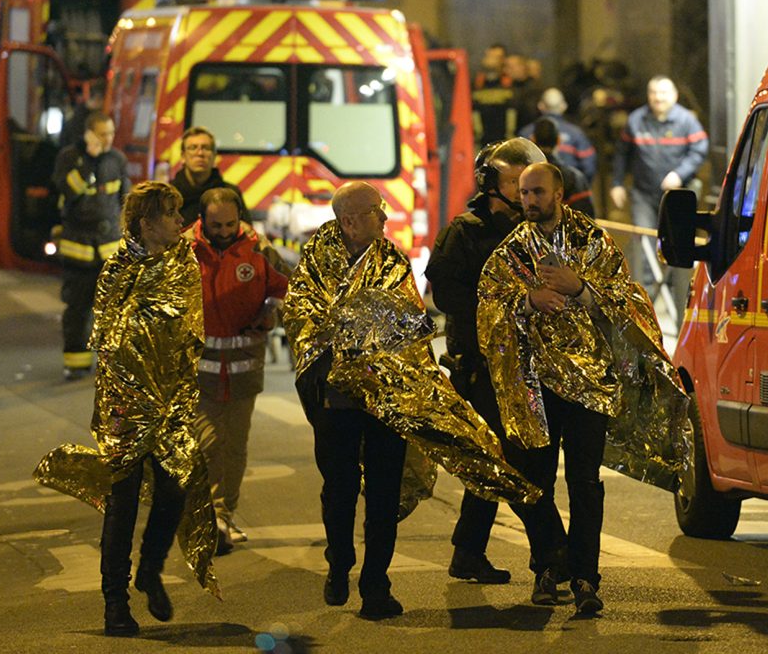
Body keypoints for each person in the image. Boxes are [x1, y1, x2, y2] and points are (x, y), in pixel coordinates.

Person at [284, 182, 538, 621]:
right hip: (337, 399)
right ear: (350, 222)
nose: (385, 217)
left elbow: (410, 319)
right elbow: (303, 319)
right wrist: (351, 335)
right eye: (376, 210)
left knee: (384, 493)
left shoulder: (392, 260)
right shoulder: (317, 262)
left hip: (391, 397)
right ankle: (340, 561)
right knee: (340, 488)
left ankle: (376, 585)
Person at [478, 162, 691, 616]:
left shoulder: (593, 242)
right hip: (534, 384)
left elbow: (629, 302)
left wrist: (581, 289)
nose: (529, 200)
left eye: (537, 192)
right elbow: (488, 305)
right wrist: (527, 301)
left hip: (591, 385)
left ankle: (585, 579)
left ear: (559, 194)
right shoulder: (512, 251)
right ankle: (547, 567)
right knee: (534, 481)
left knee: (585, 485)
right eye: (524, 193)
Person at [35, 181, 219, 637]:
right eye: (171, 214)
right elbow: (108, 335)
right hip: (126, 402)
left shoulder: (183, 264)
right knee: (123, 503)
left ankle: (150, 569)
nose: (180, 221)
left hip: (170, 399)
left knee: (175, 489)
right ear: (146, 223)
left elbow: (188, 329)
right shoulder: (118, 268)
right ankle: (115, 602)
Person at [426, 138, 568, 587]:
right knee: (519, 460)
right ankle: (554, 556)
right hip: (483, 366)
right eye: (516, 183)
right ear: (493, 184)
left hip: (531, 364)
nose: (526, 192)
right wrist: (506, 304)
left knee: (494, 459)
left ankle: (468, 552)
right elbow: (446, 295)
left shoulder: (532, 231)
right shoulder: (465, 232)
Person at [187, 187, 288, 555]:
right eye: (217, 225)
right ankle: (209, 516)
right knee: (207, 444)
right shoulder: (184, 251)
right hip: (201, 371)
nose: (225, 231)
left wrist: (269, 312)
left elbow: (285, 288)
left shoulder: (260, 250)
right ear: (202, 221)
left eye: (231, 224)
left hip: (244, 367)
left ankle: (223, 515)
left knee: (234, 446)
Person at [610, 76, 709, 297]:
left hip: (676, 196)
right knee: (645, 244)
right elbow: (621, 154)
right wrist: (617, 183)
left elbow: (700, 149)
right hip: (643, 194)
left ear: (674, 96)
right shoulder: (636, 120)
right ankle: (645, 300)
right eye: (653, 93)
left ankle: (677, 298)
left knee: (677, 246)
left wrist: (679, 174)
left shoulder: (686, 121)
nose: (658, 98)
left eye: (663, 93)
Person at [52, 110, 130, 380]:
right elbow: (69, 191)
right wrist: (89, 160)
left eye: (111, 133)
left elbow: (125, 200)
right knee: (78, 310)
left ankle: (112, 364)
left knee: (115, 311)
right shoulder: (69, 158)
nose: (108, 139)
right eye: (102, 134)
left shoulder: (117, 160)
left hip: (110, 250)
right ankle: (77, 364)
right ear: (89, 135)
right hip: (78, 250)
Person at [171, 126, 251, 226]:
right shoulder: (169, 195)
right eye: (193, 148)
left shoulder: (231, 193)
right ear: (183, 156)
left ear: (214, 156)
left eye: (206, 148)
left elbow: (246, 230)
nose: (200, 153)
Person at [519, 88, 598, 182]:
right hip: (568, 186)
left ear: (541, 106)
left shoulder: (525, 133)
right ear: (563, 106)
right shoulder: (576, 134)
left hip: (533, 186)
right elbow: (589, 167)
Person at [530, 117, 594, 217]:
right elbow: (586, 218)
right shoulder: (574, 178)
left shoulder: (522, 177)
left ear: (532, 140)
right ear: (559, 140)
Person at [472, 43, 514, 146]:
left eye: (496, 57)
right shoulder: (476, 83)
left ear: (503, 60)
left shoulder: (511, 83)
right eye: (489, 56)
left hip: (506, 141)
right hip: (482, 142)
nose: (492, 60)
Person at [506, 53, 542, 134]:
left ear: (522, 67)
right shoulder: (507, 89)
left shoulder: (535, 88)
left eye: (510, 67)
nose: (506, 71)